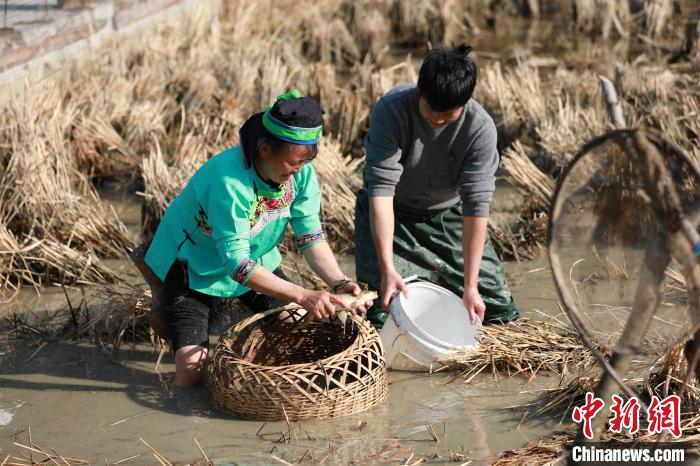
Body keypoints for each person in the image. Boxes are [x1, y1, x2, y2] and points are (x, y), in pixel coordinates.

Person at [141, 90, 371, 387]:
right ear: (265, 150)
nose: (299, 171)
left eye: (305, 162)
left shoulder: (300, 173)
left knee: (296, 321)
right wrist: (302, 294)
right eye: (293, 163)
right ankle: (167, 310)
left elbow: (311, 236)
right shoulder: (228, 182)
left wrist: (338, 282)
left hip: (256, 256)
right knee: (191, 370)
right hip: (194, 264)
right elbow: (237, 265)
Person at [354, 45, 519, 329]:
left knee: (499, 312)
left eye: (449, 114)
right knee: (381, 315)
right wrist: (386, 267)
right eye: (432, 110)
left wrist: (470, 286)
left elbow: (476, 208)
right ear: (421, 91)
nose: (439, 120)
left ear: (465, 103)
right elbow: (381, 191)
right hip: (394, 213)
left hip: (449, 217)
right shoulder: (391, 110)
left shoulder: (480, 129)